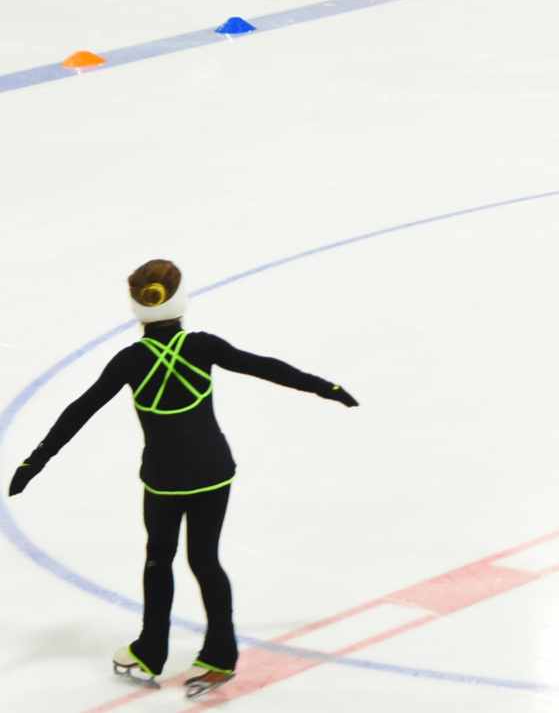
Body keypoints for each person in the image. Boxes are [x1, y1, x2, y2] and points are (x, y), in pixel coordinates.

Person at [7, 260, 356, 697]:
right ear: (180, 299)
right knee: (204, 560)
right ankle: (219, 654)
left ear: (137, 306)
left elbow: (80, 410)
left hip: (165, 478)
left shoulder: (130, 361)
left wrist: (34, 462)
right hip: (212, 471)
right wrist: (327, 388)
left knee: (159, 559)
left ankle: (151, 649)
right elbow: (265, 367)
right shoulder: (202, 347)